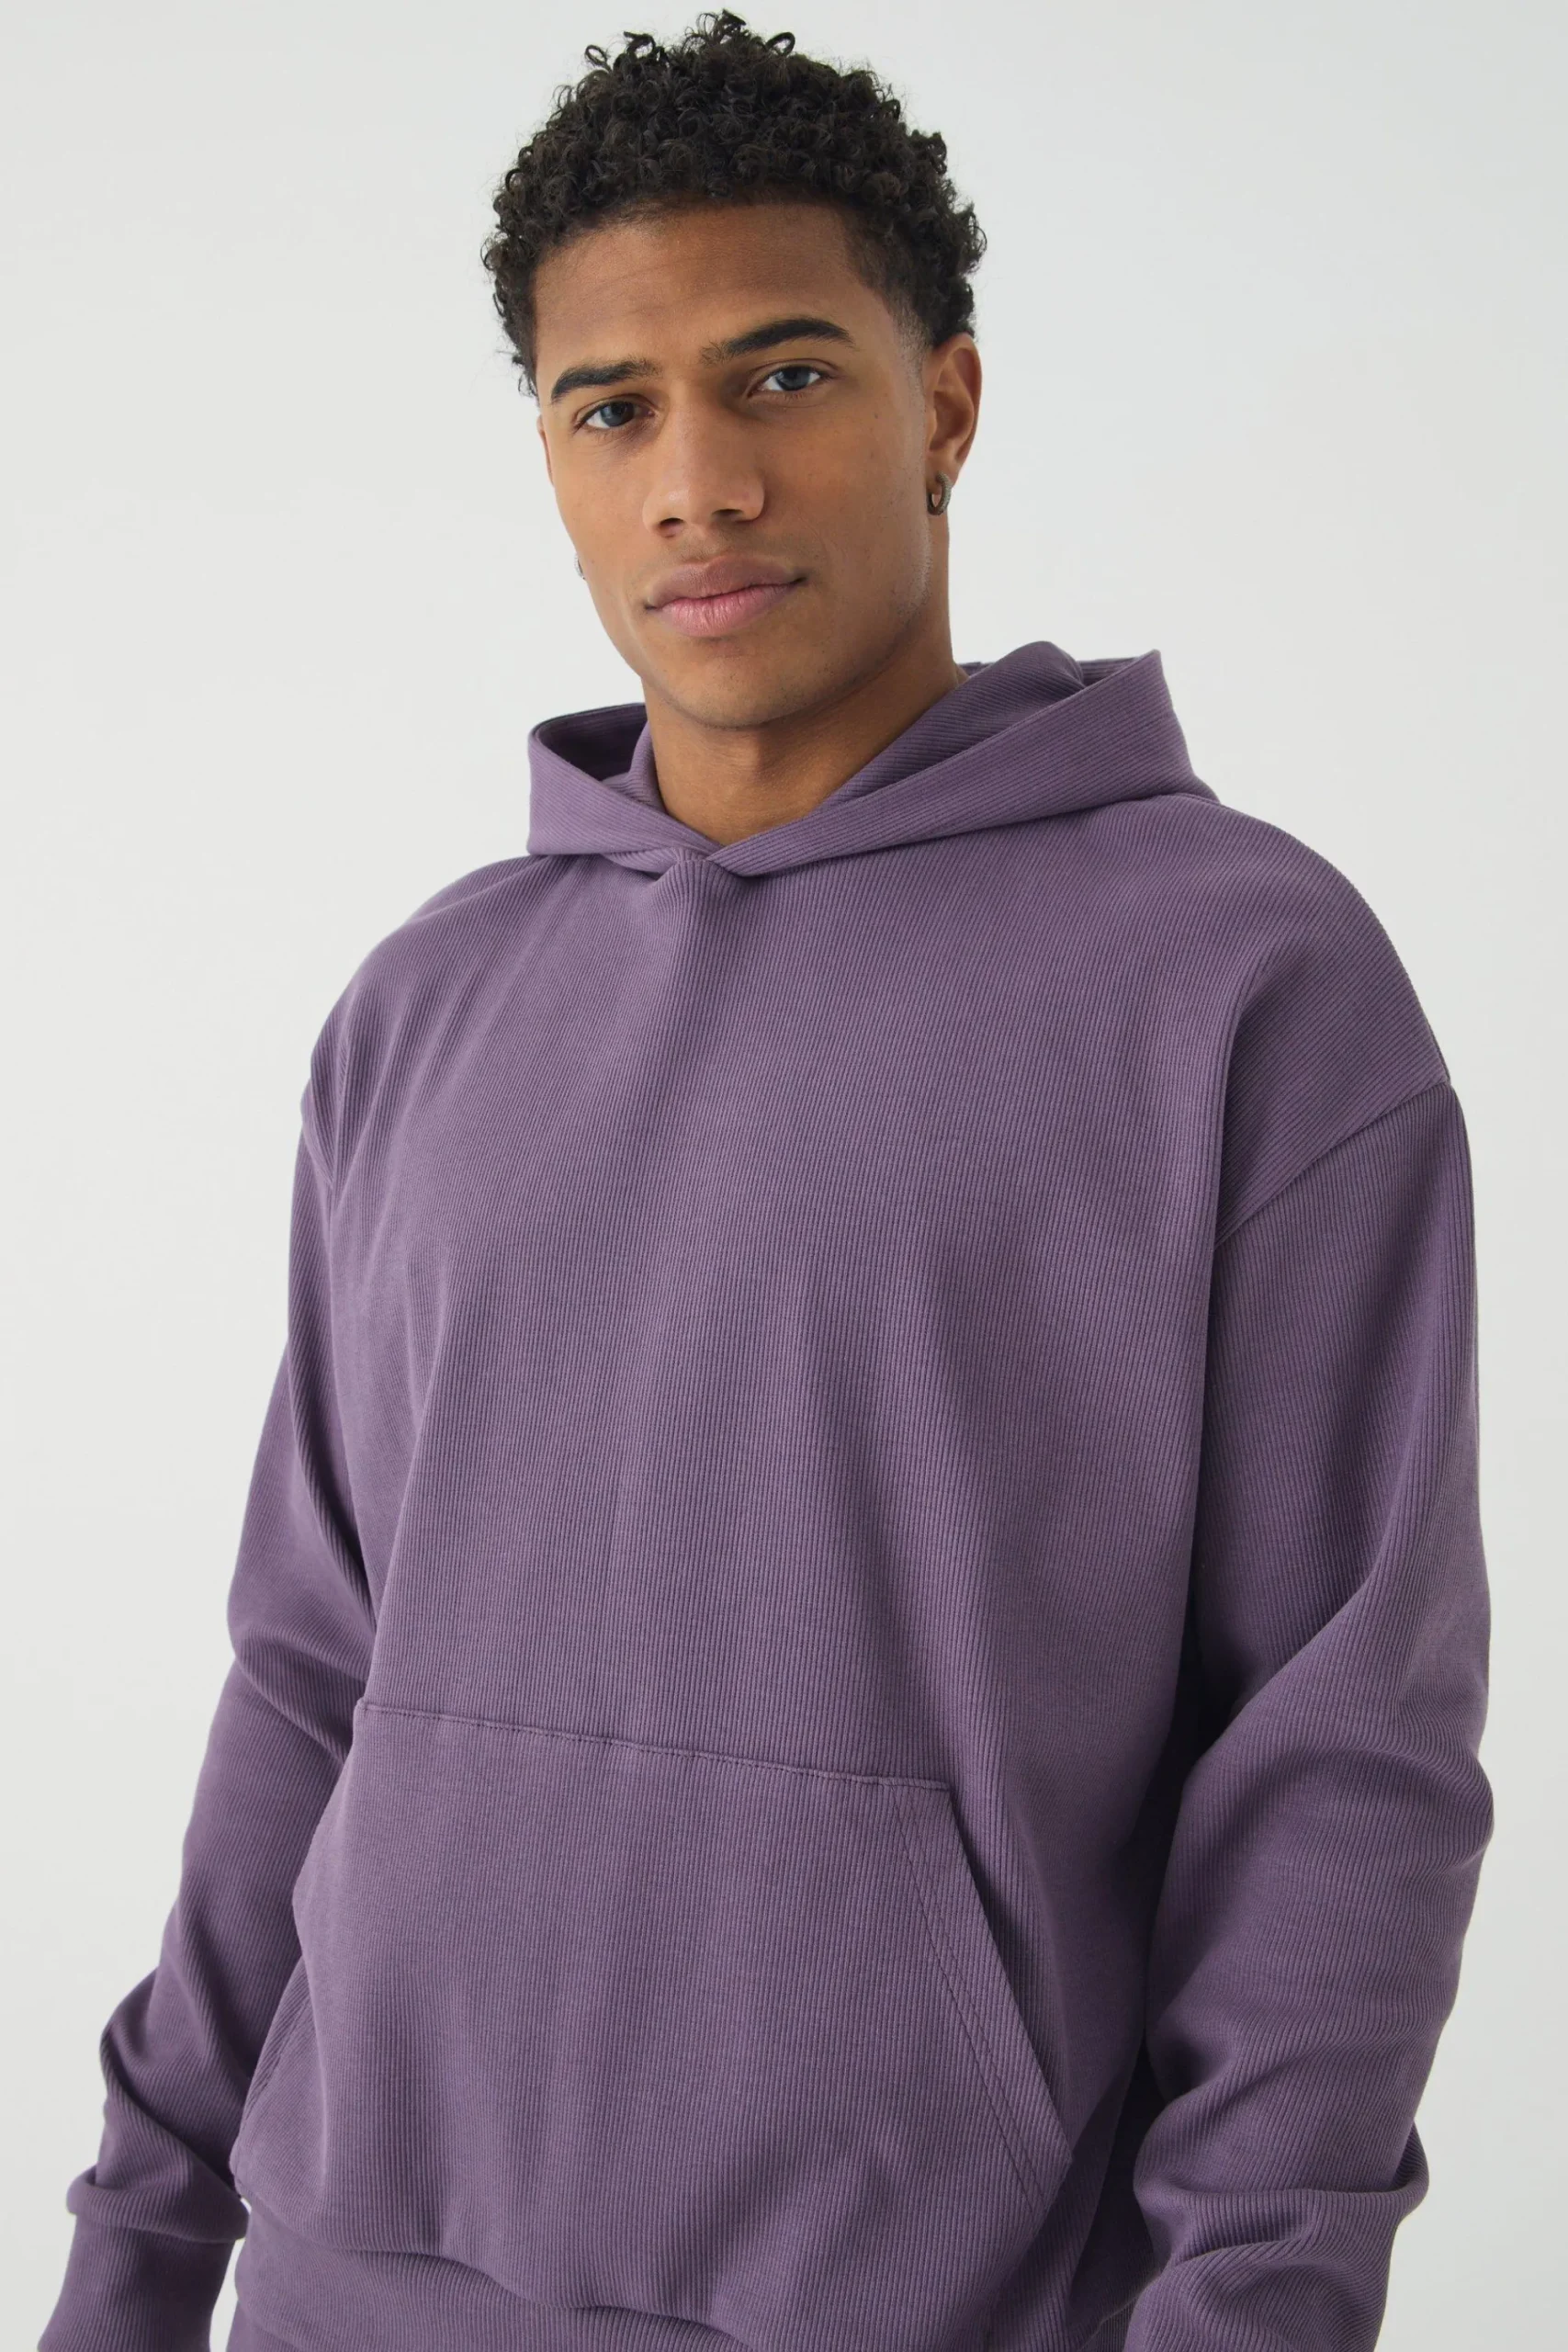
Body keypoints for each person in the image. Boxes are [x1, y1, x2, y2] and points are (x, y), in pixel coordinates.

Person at [39, 15, 1493, 2352]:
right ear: (550, 458)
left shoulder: (1241, 980)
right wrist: (132, 2255)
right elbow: (307, 1681)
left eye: (783, 376)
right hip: (343, 2291)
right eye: (611, 407)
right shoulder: (425, 1004)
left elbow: (1340, 1748)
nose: (697, 482)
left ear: (945, 404)